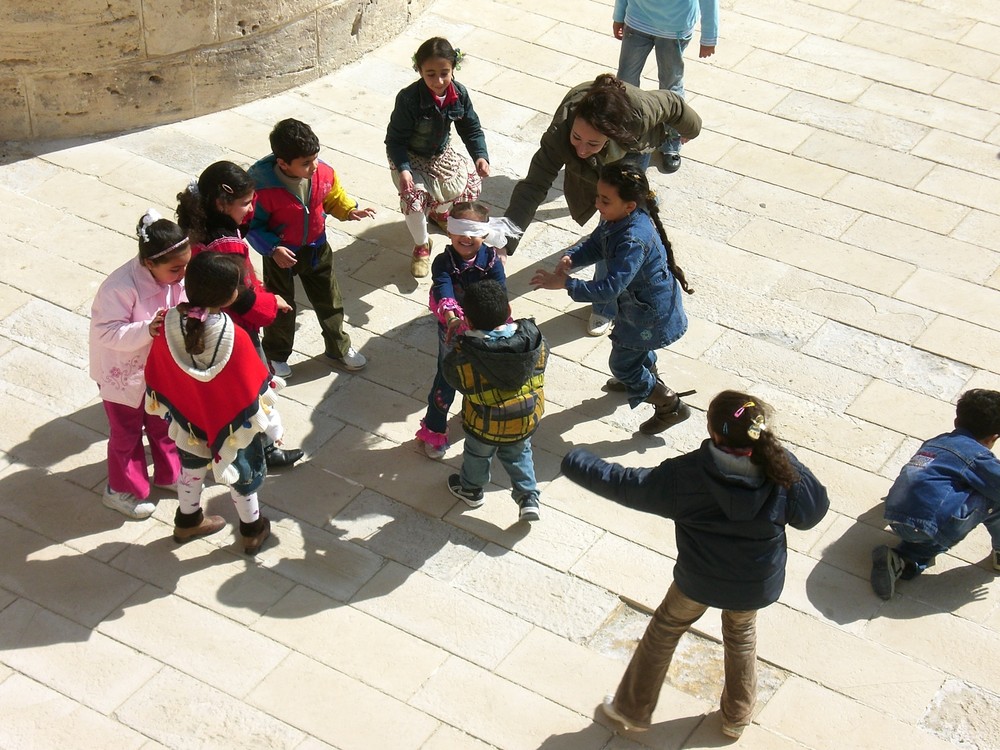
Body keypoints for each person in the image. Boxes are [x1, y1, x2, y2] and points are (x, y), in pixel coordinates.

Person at [561, 391, 829, 738]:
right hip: (755, 583)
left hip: (698, 579)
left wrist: (576, 459)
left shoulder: (685, 475)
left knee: (666, 627)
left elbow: (625, 485)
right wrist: (786, 458)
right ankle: (736, 716)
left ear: (714, 433)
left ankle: (632, 708)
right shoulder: (780, 470)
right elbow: (812, 513)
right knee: (741, 636)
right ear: (759, 432)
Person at [505, 73, 701, 335]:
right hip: (606, 152)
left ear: (610, 137)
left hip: (631, 153)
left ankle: (604, 306)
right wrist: (505, 241)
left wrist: (686, 132)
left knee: (617, 227)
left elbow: (674, 105)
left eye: (592, 143)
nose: (582, 150)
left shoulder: (640, 112)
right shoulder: (561, 130)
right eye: (577, 138)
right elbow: (533, 186)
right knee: (605, 216)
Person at [531, 164, 694, 435]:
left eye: (604, 200)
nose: (597, 204)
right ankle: (643, 375)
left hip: (648, 315)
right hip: (639, 309)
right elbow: (597, 243)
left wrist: (566, 284)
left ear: (629, 206)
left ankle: (669, 405)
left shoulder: (633, 240)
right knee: (633, 354)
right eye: (598, 196)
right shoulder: (617, 218)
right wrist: (574, 257)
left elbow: (609, 289)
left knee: (620, 363)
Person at [144, 252, 282, 554]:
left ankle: (188, 519)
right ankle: (252, 530)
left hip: (189, 421)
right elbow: (256, 390)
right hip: (233, 426)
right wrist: (273, 427)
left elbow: (158, 367)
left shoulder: (166, 324)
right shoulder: (236, 337)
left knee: (191, 471)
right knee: (242, 476)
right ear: (229, 295)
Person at [176, 160, 303, 469]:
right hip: (238, 328)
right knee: (255, 389)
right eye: (246, 203)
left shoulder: (201, 221)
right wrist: (272, 305)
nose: (251, 209)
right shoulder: (229, 247)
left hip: (211, 319)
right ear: (222, 203)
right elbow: (241, 296)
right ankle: (264, 448)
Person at [247, 118, 376, 379]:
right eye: (305, 163)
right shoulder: (260, 185)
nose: (313, 166)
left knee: (330, 301)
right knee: (281, 307)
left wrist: (349, 210)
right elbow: (252, 224)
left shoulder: (323, 172)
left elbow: (332, 197)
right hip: (282, 254)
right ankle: (276, 355)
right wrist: (272, 249)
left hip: (317, 248)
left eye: (315, 158)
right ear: (283, 163)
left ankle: (338, 347)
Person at [89, 210, 189, 519]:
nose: (182, 274)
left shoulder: (172, 279)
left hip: (159, 371)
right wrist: (147, 329)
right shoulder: (119, 287)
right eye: (175, 269)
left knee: (164, 423)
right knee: (126, 433)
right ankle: (120, 489)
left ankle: (169, 474)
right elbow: (105, 331)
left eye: (185, 265)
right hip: (123, 376)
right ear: (149, 263)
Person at [871, 389, 1000, 600]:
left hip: (895, 515)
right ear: (993, 438)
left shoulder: (935, 441)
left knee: (959, 490)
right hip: (926, 525)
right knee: (993, 493)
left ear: (957, 420)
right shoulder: (977, 455)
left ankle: (901, 561)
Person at [415, 202, 519, 459]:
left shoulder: (492, 261)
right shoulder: (443, 262)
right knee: (447, 376)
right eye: (460, 230)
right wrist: (451, 319)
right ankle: (435, 428)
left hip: (485, 326)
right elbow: (443, 288)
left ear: (484, 234)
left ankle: (473, 414)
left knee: (481, 375)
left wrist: (500, 323)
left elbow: (499, 294)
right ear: (449, 232)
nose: (467, 237)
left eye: (473, 231)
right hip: (452, 328)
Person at [385, 36, 490, 278]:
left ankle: (440, 213)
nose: (439, 81)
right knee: (414, 196)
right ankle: (422, 245)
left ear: (454, 69)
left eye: (445, 73)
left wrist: (480, 156)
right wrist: (403, 169)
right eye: (430, 74)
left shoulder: (459, 94)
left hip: (439, 153)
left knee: (469, 183)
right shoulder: (408, 99)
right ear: (419, 70)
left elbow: (471, 128)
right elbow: (395, 140)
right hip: (409, 155)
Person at [443, 280, 547, 522]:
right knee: (520, 453)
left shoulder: (465, 356)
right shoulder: (534, 338)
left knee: (477, 454)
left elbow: (453, 377)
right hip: (525, 417)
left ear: (467, 320)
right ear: (509, 311)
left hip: (484, 424)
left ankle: (471, 489)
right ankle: (528, 497)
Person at [613, 0, 719, 174]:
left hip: (674, 28)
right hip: (637, 20)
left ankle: (672, 138)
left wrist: (709, 36)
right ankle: (625, 133)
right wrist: (619, 15)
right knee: (625, 83)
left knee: (670, 86)